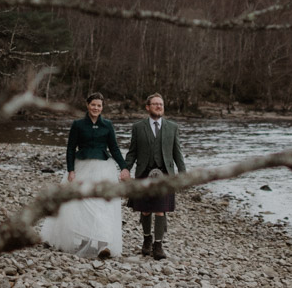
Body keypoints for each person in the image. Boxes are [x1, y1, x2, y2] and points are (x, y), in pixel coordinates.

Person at [40, 93, 130, 259]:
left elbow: (114, 148)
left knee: (102, 205)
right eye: (93, 105)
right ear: (88, 105)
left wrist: (124, 167)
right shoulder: (78, 125)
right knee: (82, 205)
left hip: (103, 168)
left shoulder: (107, 125)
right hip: (82, 167)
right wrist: (71, 170)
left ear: (102, 108)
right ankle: (84, 240)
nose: (96, 108)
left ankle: (104, 245)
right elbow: (70, 149)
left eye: (99, 106)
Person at [125, 93, 186, 260]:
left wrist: (183, 172)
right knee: (145, 211)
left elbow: (177, 153)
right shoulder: (138, 127)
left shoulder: (172, 127)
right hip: (144, 172)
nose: (159, 106)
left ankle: (158, 245)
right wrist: (125, 168)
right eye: (155, 104)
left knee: (160, 210)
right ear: (148, 107)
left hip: (165, 174)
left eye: (161, 104)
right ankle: (146, 240)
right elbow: (132, 152)